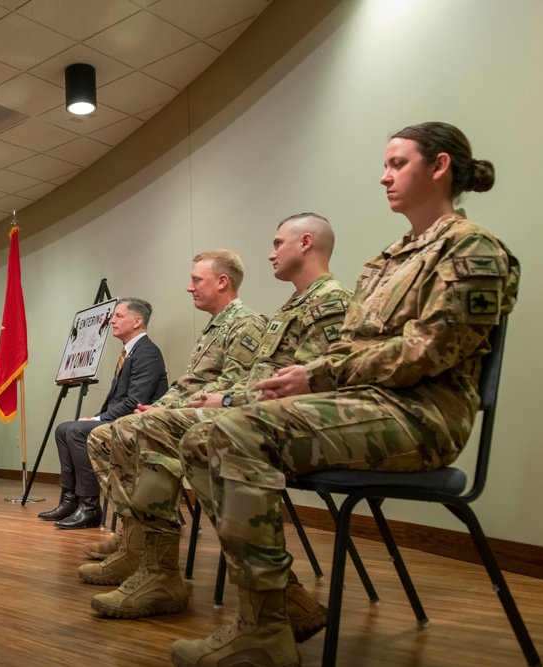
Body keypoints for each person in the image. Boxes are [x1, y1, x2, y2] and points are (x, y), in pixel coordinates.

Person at [171, 122, 520, 667]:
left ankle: (262, 632)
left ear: (441, 166)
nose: (384, 176)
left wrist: (318, 377)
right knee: (200, 437)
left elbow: (430, 350)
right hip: (369, 406)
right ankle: (283, 603)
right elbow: (351, 350)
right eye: (386, 165)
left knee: (235, 431)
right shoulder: (387, 261)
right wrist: (306, 376)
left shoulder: (472, 250)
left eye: (398, 163)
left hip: (423, 417)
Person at [84, 217, 351, 640]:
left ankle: (172, 573)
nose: (271, 251)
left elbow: (303, 382)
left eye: (278, 242)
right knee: (118, 430)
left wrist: (222, 402)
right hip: (256, 417)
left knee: (158, 431)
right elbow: (218, 384)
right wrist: (175, 404)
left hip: (285, 425)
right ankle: (144, 552)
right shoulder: (286, 310)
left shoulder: (304, 308)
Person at [81, 250, 267, 597]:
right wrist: (157, 407)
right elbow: (188, 384)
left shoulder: (247, 324)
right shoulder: (213, 329)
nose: (189, 287)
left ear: (222, 281)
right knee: (102, 436)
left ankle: (159, 567)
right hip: (190, 415)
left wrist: (163, 413)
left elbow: (233, 386)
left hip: (221, 422)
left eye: (197, 279)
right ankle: (132, 541)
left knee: (134, 430)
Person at [38, 298, 168, 529]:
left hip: (141, 424)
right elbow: (120, 401)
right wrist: (98, 416)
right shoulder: (130, 352)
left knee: (78, 432)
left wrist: (97, 419)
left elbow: (135, 401)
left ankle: (90, 508)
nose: (112, 320)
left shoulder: (147, 352)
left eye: (119, 316)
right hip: (122, 420)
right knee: (63, 429)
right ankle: (70, 500)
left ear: (137, 321)